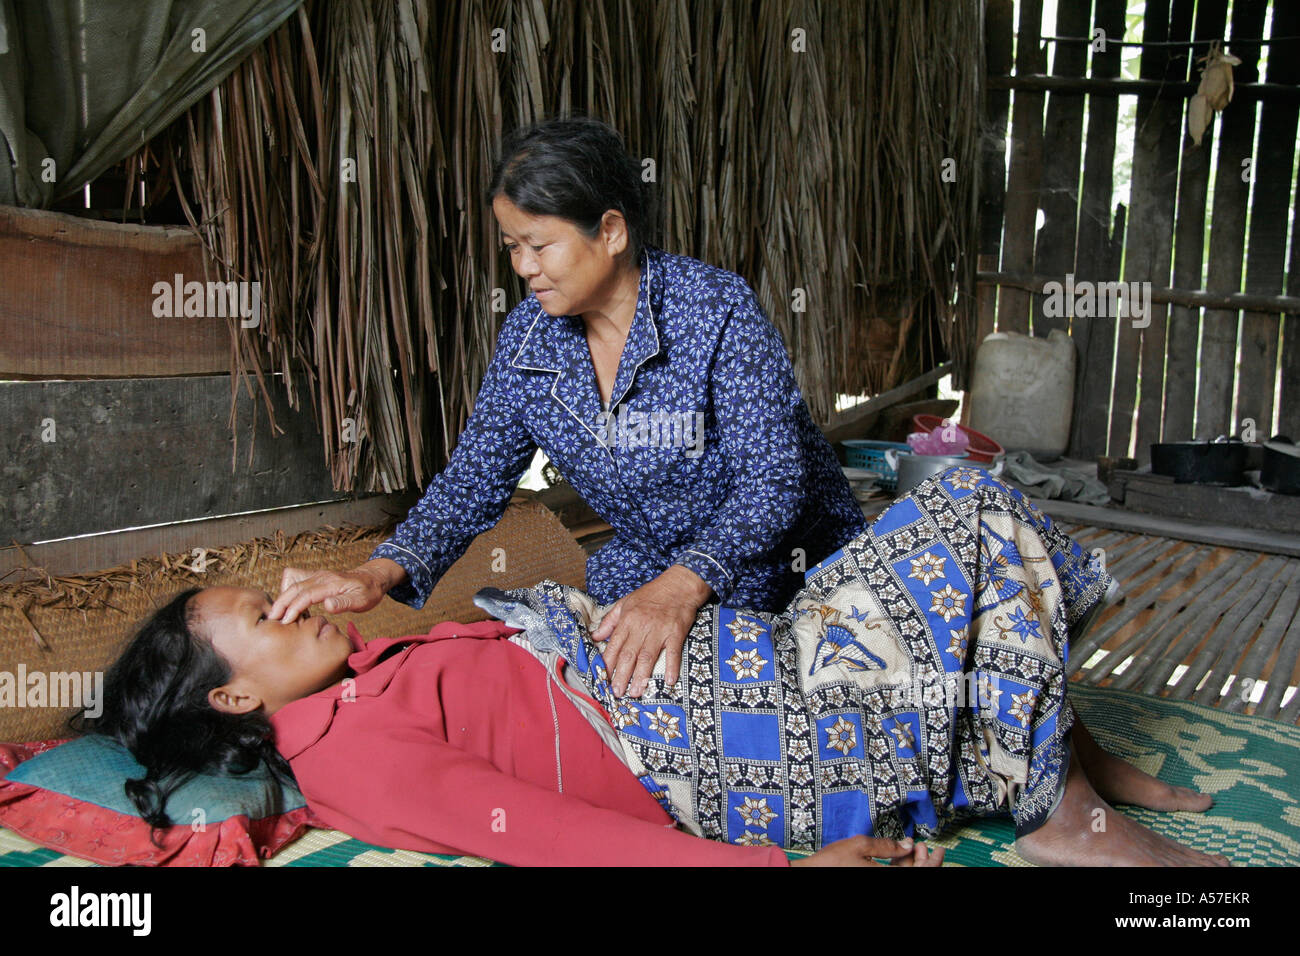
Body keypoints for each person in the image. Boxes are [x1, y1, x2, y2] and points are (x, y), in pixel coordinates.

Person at [78, 470, 1228, 867]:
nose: (292, 600)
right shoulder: (348, 749)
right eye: (263, 615)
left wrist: (354, 594)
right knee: (969, 518)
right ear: (232, 695)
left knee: (962, 504)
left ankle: (1059, 753)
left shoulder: (356, 680)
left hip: (736, 655)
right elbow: (549, 836)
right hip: (725, 737)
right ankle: (1052, 808)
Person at [267, 115, 865, 700]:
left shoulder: (714, 309)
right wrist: (375, 573)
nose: (524, 267)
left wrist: (681, 589)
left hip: (784, 566)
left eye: (539, 244)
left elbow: (773, 480)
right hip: (649, 569)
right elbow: (474, 479)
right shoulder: (531, 339)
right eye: (512, 247)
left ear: (610, 232)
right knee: (587, 688)